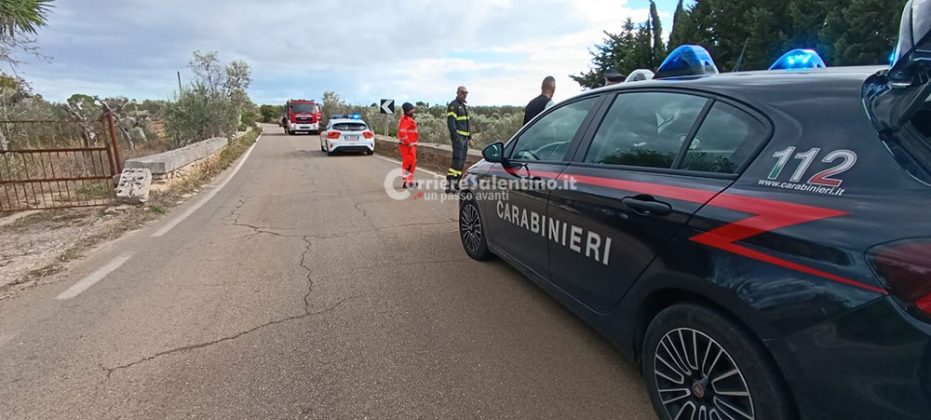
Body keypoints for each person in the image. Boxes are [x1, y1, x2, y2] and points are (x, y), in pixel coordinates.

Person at [445, 86, 470, 193]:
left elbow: (467, 124)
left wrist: (469, 137)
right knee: (456, 161)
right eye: (463, 92)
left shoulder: (464, 106)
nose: (465, 95)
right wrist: (455, 137)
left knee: (461, 162)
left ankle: (456, 184)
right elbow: (451, 123)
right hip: (458, 139)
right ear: (458, 93)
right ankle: (449, 185)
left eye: (466, 93)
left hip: (465, 139)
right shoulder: (453, 105)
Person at [397, 102, 418, 189]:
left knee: (411, 163)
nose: (413, 112)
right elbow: (402, 133)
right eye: (412, 110)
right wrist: (408, 143)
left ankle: (408, 181)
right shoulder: (406, 120)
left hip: (409, 145)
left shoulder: (408, 119)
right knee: (408, 164)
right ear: (408, 111)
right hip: (407, 146)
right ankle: (406, 182)